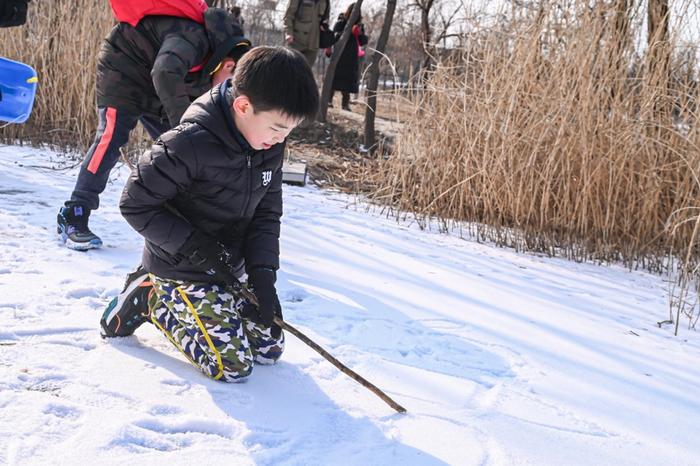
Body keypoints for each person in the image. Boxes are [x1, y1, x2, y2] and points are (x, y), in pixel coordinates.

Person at [101, 46, 319, 382]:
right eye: (277, 128)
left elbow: (266, 214)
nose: (281, 140)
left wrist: (263, 278)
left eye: (288, 131)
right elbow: (135, 202)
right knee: (232, 367)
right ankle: (150, 296)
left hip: (229, 266)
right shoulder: (189, 143)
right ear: (244, 106)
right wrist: (193, 245)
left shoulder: (268, 145)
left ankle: (221, 300)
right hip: (181, 265)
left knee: (268, 350)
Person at [56, 8, 251, 251]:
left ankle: (196, 220)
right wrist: (184, 124)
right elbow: (164, 71)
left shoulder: (216, 59)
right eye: (230, 85)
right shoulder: (193, 38)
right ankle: (74, 213)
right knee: (111, 137)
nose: (227, 92)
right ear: (229, 65)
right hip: (123, 70)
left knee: (184, 149)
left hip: (154, 83)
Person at [330, 3, 367, 111]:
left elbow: (363, 41)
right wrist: (348, 29)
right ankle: (328, 101)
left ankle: (345, 104)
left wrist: (360, 33)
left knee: (348, 81)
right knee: (334, 78)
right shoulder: (341, 20)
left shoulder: (360, 25)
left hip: (351, 56)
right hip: (340, 54)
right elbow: (335, 33)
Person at [283, 0, 329, 67]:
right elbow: (289, 15)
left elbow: (326, 18)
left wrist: (324, 26)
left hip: (313, 45)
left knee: (305, 73)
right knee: (290, 70)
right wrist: (288, 32)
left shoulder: (326, 1)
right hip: (296, 42)